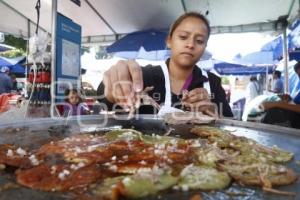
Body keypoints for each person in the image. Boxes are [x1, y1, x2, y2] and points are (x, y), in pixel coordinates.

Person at [97, 12, 233, 117]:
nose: (190, 44)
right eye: (183, 37)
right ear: (169, 41)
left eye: (199, 40)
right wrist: (112, 89)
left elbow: (230, 124)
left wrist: (214, 112)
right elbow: (105, 101)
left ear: (205, 47)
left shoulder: (212, 83)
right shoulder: (145, 76)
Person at [261, 62, 300, 129]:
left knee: (273, 112)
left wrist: (278, 104)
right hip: (293, 118)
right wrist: (290, 99)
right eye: (299, 75)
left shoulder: (278, 81)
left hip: (296, 123)